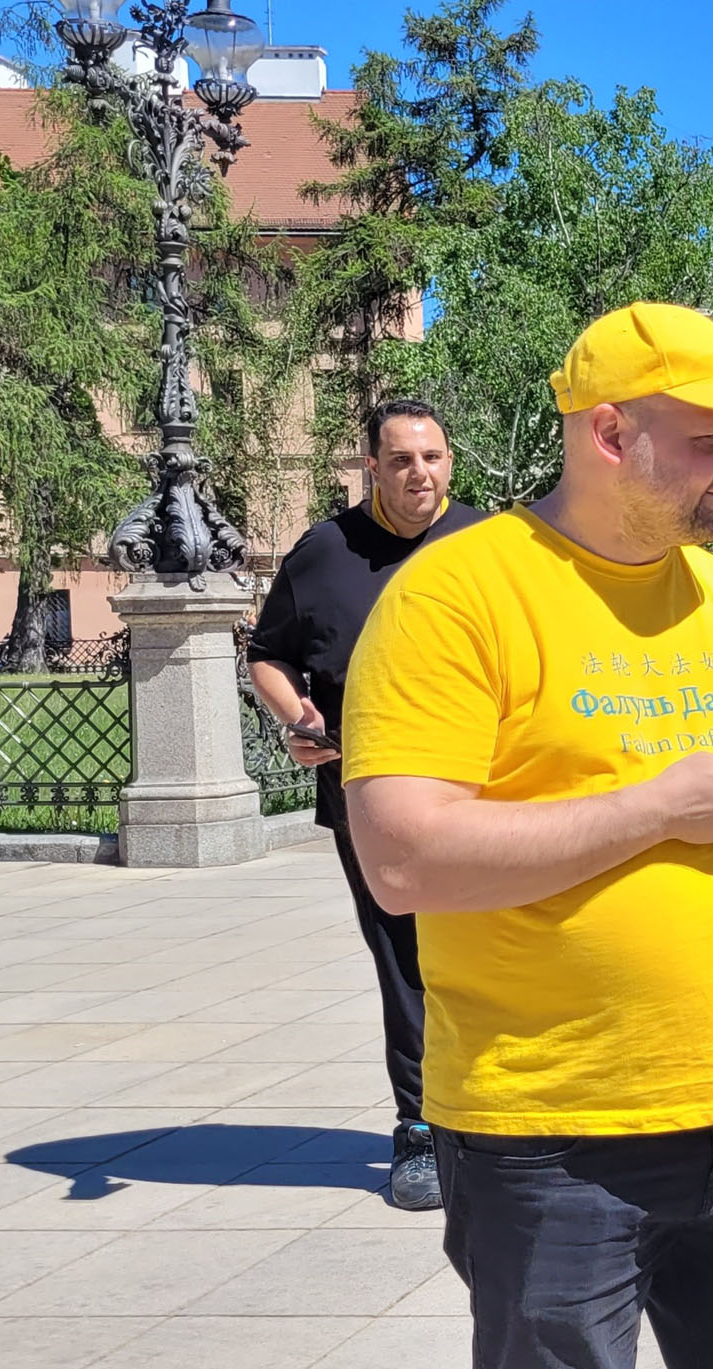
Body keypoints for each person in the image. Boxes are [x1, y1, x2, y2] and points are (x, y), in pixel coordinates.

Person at [339, 303, 713, 1369]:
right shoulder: (455, 594)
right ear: (612, 434)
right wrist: (658, 807)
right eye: (712, 439)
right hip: (549, 1134)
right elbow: (400, 859)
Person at [246, 400, 483, 1210]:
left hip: (485, 787)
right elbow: (268, 654)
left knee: (497, 947)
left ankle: (501, 1119)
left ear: (450, 462)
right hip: (371, 794)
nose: (420, 473)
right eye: (402, 460)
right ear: (371, 468)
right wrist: (299, 720)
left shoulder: (492, 546)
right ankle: (420, 1129)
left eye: (433, 456)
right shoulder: (324, 551)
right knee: (404, 957)